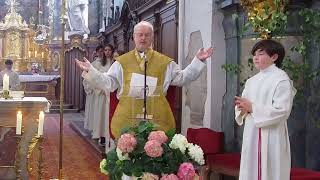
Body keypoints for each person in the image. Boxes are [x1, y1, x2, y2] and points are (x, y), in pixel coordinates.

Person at [76, 21, 213, 139]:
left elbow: (182, 78)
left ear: (152, 37)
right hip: (127, 119)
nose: (143, 38)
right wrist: (90, 71)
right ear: (134, 37)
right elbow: (108, 82)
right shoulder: (121, 62)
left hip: (158, 119)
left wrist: (197, 61)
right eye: (139, 35)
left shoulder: (164, 62)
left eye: (147, 35)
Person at [234, 39, 296, 180]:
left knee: (271, 171)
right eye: (254, 54)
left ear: (274, 57)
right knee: (250, 170)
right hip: (252, 133)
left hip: (272, 135)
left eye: (261, 54)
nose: (255, 57)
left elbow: (282, 110)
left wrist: (253, 108)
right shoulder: (251, 81)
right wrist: (241, 108)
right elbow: (244, 106)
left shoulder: (281, 79)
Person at [83, 45, 113, 146]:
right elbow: (94, 77)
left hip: (111, 93)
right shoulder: (99, 64)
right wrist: (100, 88)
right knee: (101, 115)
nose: (107, 52)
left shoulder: (115, 63)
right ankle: (101, 134)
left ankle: (109, 134)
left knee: (109, 116)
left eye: (109, 50)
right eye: (105, 50)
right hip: (101, 94)